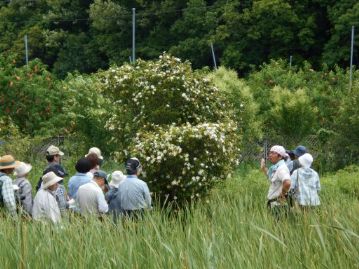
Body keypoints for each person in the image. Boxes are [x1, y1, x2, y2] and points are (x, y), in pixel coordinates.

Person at [261, 146, 291, 218]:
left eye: (273, 153)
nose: (270, 155)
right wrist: (263, 167)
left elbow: (287, 183)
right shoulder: (276, 168)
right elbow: (271, 177)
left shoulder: (281, 168)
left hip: (278, 205)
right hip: (275, 204)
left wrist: (282, 194)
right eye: (270, 153)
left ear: (280, 156)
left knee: (277, 227)